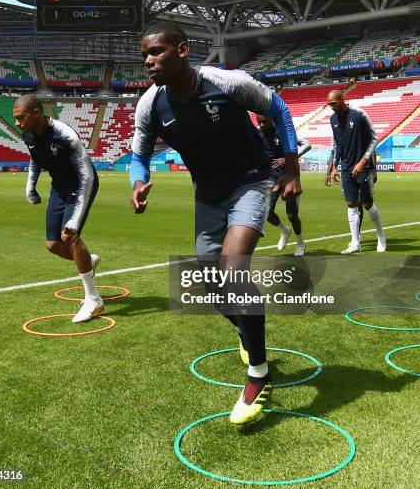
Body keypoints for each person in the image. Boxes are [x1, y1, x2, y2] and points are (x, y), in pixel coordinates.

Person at [129, 21, 301, 425]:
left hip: (251, 181)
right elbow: (138, 154)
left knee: (233, 269)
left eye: (156, 53)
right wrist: (138, 182)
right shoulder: (150, 105)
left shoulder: (228, 83)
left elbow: (278, 108)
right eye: (145, 56)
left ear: (183, 50)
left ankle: (259, 373)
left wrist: (291, 166)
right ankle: (247, 330)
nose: (149, 62)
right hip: (207, 194)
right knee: (212, 284)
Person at [13, 94, 102, 322]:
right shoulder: (28, 134)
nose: (17, 123)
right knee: (53, 244)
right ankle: (87, 261)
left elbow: (87, 175)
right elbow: (36, 158)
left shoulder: (65, 135)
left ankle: (93, 299)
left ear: (36, 113)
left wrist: (74, 220)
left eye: (20, 118)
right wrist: (30, 186)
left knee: (70, 235)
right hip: (59, 187)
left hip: (81, 183)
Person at [327, 90, 386, 254]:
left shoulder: (359, 114)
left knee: (367, 203)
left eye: (334, 103)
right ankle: (355, 242)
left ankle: (381, 236)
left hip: (363, 167)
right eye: (329, 104)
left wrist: (362, 162)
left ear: (342, 100)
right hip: (346, 168)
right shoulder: (333, 119)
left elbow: (375, 137)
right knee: (351, 204)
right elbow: (337, 144)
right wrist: (334, 166)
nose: (331, 107)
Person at [256, 115, 310, 256]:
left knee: (292, 214)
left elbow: (306, 144)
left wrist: (288, 159)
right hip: (271, 177)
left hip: (290, 175)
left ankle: (300, 243)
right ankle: (285, 230)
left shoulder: (283, 131)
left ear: (271, 119)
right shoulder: (257, 132)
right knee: (266, 212)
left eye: (264, 121)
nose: (261, 124)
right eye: (259, 121)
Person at [325, 143, 378, 245]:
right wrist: (329, 172)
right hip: (347, 171)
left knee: (363, 203)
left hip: (363, 170)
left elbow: (372, 150)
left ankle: (359, 236)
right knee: (352, 203)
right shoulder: (337, 132)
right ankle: (356, 237)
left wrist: (374, 170)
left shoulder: (360, 129)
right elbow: (333, 153)